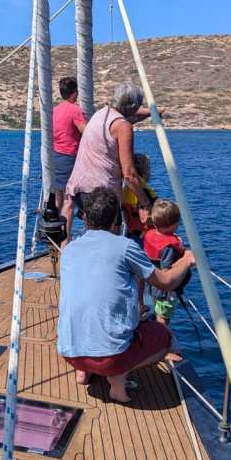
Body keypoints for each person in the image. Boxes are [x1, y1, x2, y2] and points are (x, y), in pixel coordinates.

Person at [57, 187, 194, 403]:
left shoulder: (69, 250)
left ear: (85, 217)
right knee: (166, 337)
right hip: (112, 358)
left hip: (69, 353)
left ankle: (84, 372)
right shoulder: (125, 247)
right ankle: (117, 382)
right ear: (116, 219)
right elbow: (167, 281)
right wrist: (186, 260)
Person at [62, 80, 150, 243]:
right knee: (109, 241)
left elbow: (130, 118)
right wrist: (145, 204)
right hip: (101, 195)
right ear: (133, 106)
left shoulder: (101, 114)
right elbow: (129, 174)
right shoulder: (123, 127)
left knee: (93, 238)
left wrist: (151, 112)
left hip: (79, 190)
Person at [143, 199, 194, 326]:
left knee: (158, 312)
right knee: (163, 319)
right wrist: (185, 258)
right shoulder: (168, 247)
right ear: (173, 225)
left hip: (151, 285)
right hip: (164, 292)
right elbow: (166, 271)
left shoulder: (149, 234)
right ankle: (163, 335)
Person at [52, 76, 87, 196]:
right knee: (70, 194)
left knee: (59, 192)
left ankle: (58, 208)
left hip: (55, 155)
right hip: (69, 156)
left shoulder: (55, 110)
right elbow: (86, 131)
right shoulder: (74, 110)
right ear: (75, 92)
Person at [122, 153, 156, 244]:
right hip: (144, 233)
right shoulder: (143, 190)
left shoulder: (126, 188)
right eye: (149, 169)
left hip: (130, 231)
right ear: (145, 171)